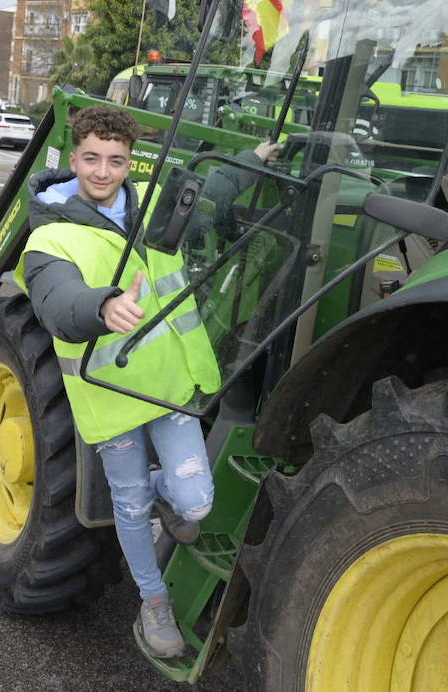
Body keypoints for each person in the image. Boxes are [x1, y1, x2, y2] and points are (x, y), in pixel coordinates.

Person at [15, 104, 278, 658]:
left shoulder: (156, 208)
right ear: (73, 158)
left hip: (170, 386)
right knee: (128, 507)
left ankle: (165, 498)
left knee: (196, 502)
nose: (102, 172)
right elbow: (57, 301)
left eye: (115, 160)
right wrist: (103, 305)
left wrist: (252, 160)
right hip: (110, 400)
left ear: (131, 163)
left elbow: (214, 192)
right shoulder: (48, 240)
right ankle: (153, 600)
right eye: (91, 158)